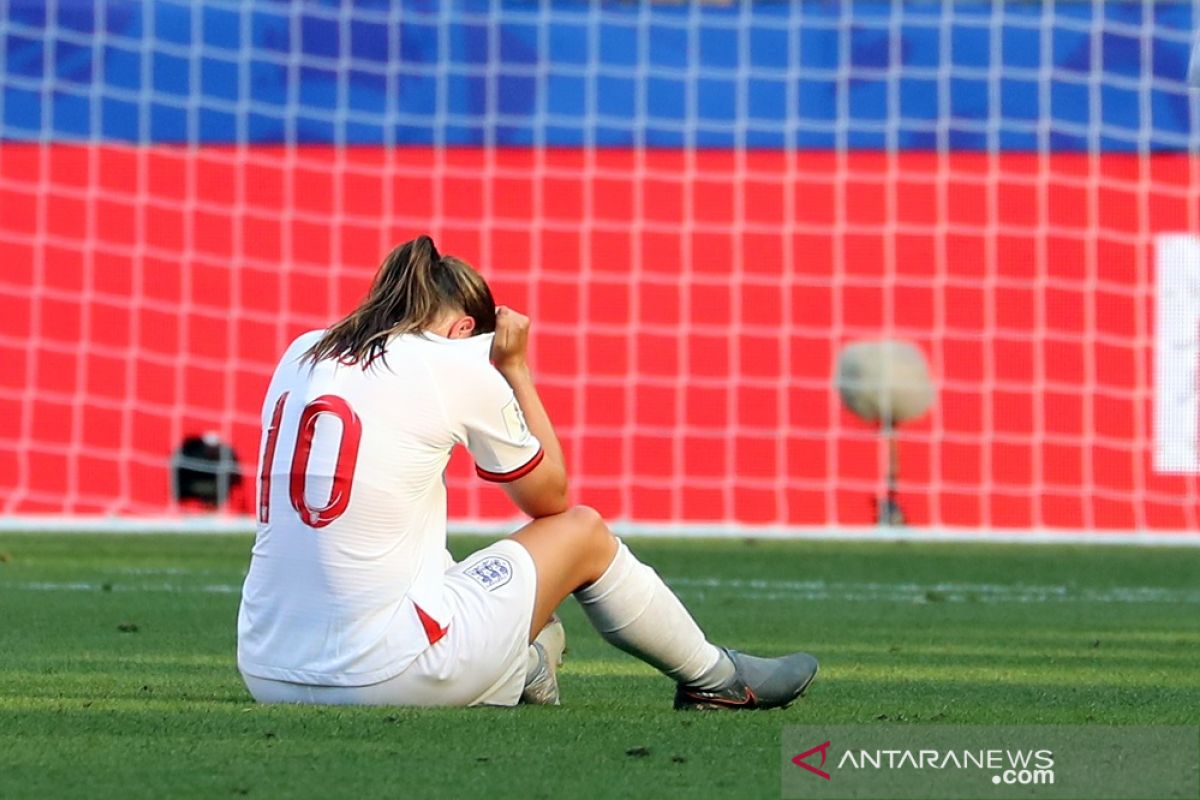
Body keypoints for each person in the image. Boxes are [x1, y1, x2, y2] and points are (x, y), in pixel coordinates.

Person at [237, 235, 818, 709]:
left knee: (432, 562)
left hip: (266, 671)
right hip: (386, 676)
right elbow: (551, 500)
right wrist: (514, 369)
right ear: (466, 330)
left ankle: (523, 664)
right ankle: (716, 678)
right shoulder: (449, 360)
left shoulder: (303, 351)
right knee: (585, 532)